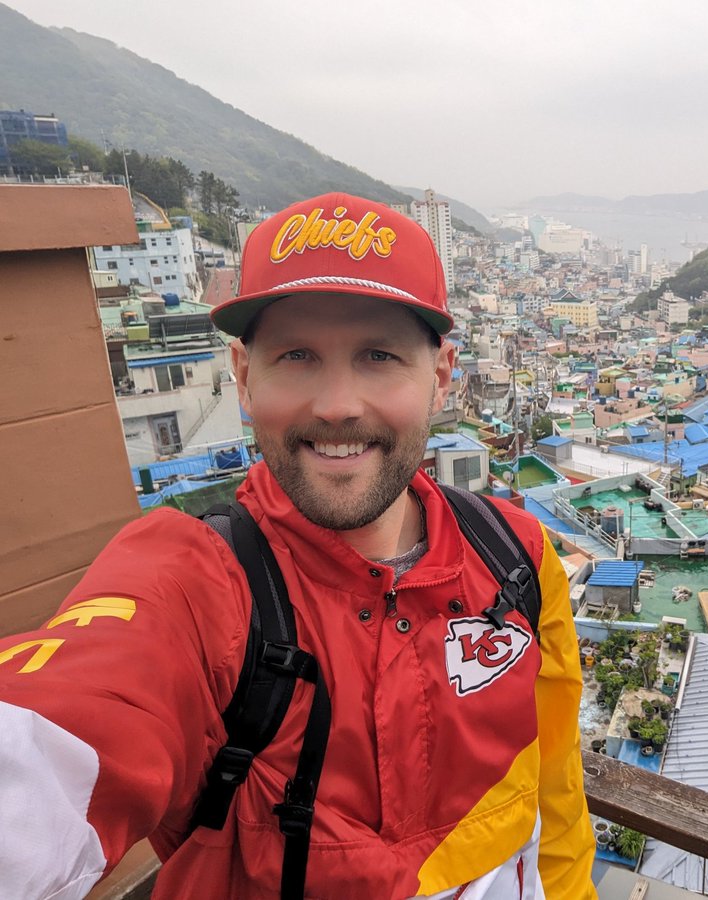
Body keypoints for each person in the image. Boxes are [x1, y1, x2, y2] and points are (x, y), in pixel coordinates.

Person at [0, 193, 597, 898]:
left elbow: (556, 799)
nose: (338, 404)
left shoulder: (515, 555)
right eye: (296, 356)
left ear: (440, 378)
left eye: (378, 355)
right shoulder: (195, 582)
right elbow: (51, 739)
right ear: (246, 378)